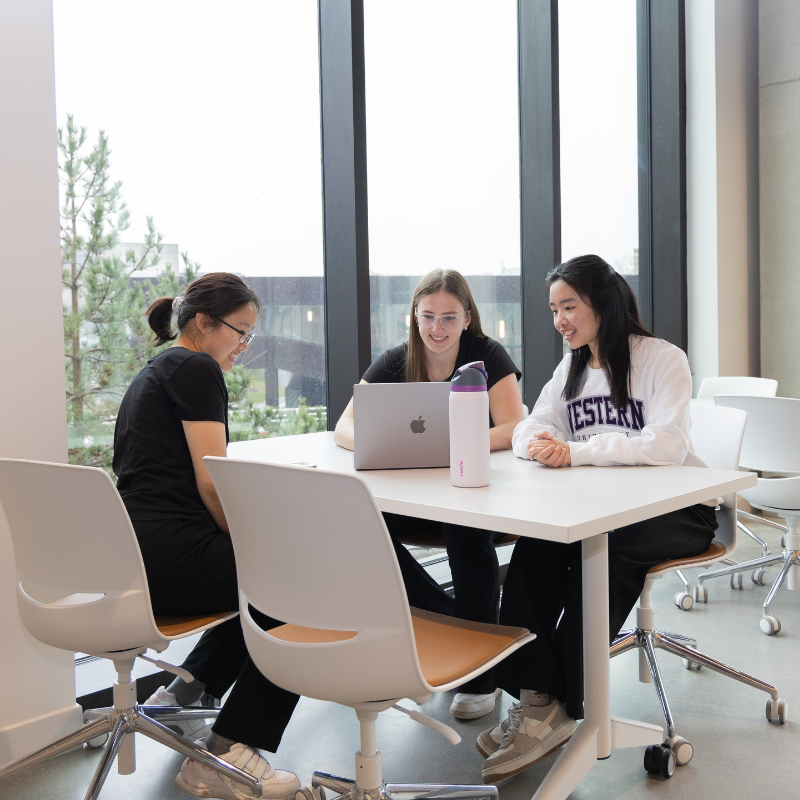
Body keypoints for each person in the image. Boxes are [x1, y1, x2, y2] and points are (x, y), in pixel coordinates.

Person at [476, 255, 719, 784]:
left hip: (681, 508)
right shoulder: (572, 367)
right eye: (554, 309)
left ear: (602, 303)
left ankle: (560, 702)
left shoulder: (661, 359)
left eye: (569, 306)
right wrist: (536, 440)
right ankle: (538, 697)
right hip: (600, 505)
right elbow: (530, 425)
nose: (560, 320)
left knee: (604, 550)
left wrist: (577, 452)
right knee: (537, 546)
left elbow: (668, 446)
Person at [113, 273, 301, 800]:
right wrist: (258, 541)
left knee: (258, 579)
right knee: (298, 586)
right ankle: (228, 751)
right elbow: (212, 485)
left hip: (136, 553)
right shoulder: (195, 367)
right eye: (240, 332)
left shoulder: (152, 371)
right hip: (173, 551)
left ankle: (185, 694)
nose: (243, 346)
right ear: (202, 323)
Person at [334, 268, 524, 720]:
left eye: (449, 317)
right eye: (428, 317)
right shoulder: (396, 360)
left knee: (464, 526)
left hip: (471, 490)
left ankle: (481, 675)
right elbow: (344, 426)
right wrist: (380, 441)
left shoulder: (486, 355)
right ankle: (451, 618)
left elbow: (516, 426)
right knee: (356, 522)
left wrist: (459, 442)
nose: (437, 329)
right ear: (414, 317)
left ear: (467, 318)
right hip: (416, 497)